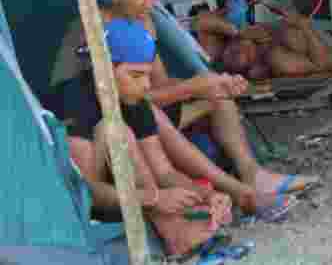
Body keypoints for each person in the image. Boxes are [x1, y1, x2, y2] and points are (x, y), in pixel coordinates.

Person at [51, 0, 318, 199]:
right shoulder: (96, 27)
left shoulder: (145, 22)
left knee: (218, 98)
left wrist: (213, 85)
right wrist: (194, 85)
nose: (148, 4)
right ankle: (236, 191)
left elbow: (158, 84)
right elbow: (126, 98)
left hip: (142, 112)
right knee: (155, 111)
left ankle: (253, 175)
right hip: (101, 123)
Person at [65, 19, 236, 257]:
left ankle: (177, 232)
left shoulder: (134, 99)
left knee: (123, 133)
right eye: (135, 75)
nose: (146, 85)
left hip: (125, 194)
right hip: (75, 207)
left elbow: (164, 172)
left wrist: (208, 195)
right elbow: (87, 192)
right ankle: (175, 234)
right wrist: (154, 199)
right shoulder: (73, 103)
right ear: (102, 69)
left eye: (147, 74)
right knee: (114, 130)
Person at [200, 10, 332, 81]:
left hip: (329, 52)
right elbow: (201, 21)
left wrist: (303, 25)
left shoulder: (277, 56)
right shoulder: (276, 56)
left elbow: (322, 64)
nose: (236, 50)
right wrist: (236, 32)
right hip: (326, 46)